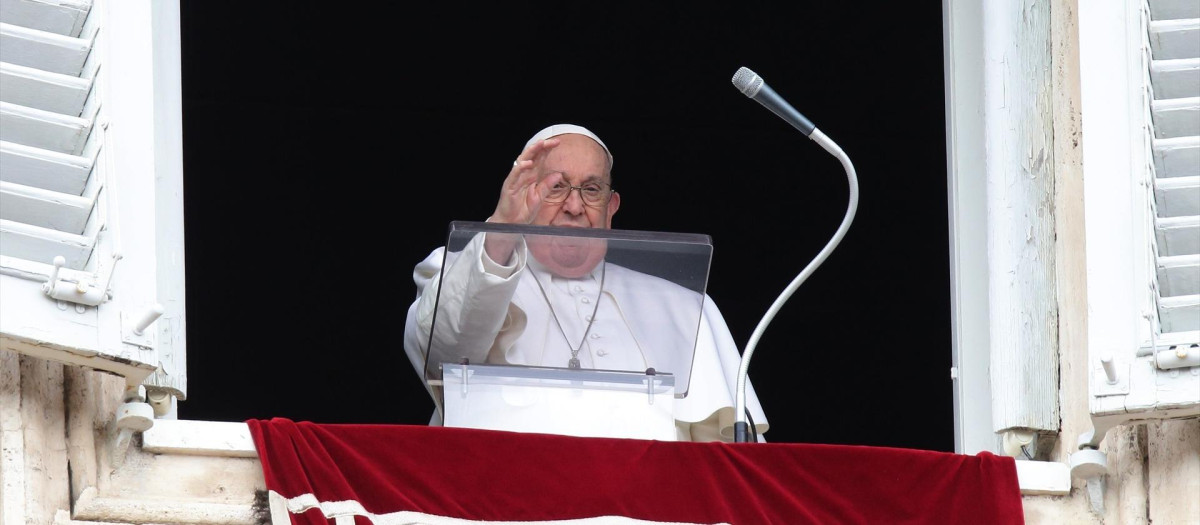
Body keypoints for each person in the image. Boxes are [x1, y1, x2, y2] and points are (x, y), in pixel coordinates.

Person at [402, 123, 768, 442]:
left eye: (591, 190)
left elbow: (725, 453)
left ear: (612, 206)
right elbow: (444, 353)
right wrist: (501, 229)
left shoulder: (684, 306)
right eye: (556, 187)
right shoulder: (464, 270)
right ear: (525, 196)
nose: (574, 207)